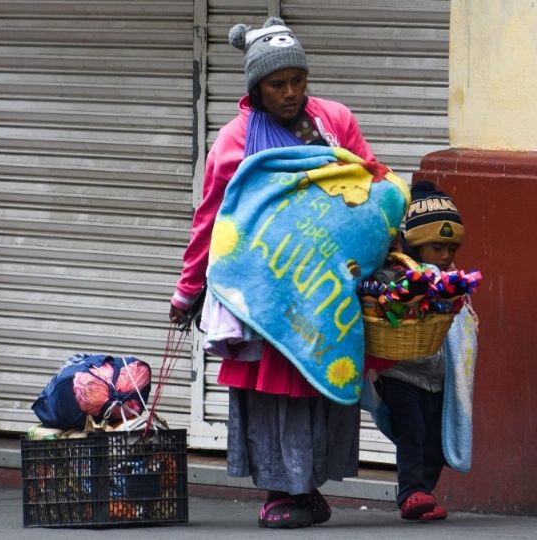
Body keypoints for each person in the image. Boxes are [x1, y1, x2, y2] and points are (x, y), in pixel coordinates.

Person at [168, 16, 376, 529]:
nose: (290, 93)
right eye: (276, 84)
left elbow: (370, 183)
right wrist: (187, 291)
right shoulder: (234, 141)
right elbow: (212, 220)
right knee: (273, 392)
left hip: (323, 284)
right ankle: (280, 490)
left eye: (297, 81)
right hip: (266, 292)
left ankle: (308, 488)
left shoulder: (335, 121)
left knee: (318, 383)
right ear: (256, 89)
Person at [374, 180, 466, 521]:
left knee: (435, 441)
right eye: (436, 248)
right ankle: (411, 491)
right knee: (410, 431)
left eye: (451, 248)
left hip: (438, 378)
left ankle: (423, 491)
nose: (445, 256)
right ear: (414, 242)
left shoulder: (452, 278)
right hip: (401, 373)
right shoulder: (395, 274)